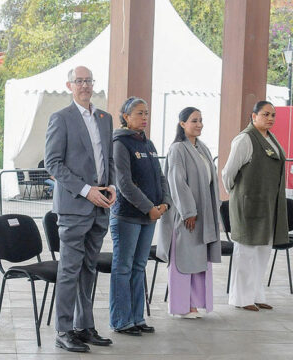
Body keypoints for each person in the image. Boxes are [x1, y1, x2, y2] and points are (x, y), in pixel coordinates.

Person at [45, 66, 116, 352]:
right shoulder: (61, 119)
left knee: (89, 268)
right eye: (79, 81)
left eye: (89, 80)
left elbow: (107, 158)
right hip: (75, 207)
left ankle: (84, 326)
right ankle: (64, 330)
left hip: (101, 207)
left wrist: (110, 187)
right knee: (70, 270)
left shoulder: (105, 118)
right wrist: (87, 191)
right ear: (70, 85)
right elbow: (53, 164)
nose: (85, 85)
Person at [109, 97, 172, 335]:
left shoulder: (148, 143)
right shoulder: (120, 143)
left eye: (146, 113)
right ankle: (120, 320)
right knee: (123, 268)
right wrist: (149, 207)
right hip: (128, 216)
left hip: (150, 215)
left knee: (138, 267)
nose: (144, 118)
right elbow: (124, 183)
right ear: (125, 116)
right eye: (138, 113)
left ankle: (137, 318)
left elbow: (160, 176)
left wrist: (165, 201)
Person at [222, 100, 288, 311]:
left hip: (268, 206)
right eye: (266, 114)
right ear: (254, 116)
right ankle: (241, 299)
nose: (270, 118)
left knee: (262, 251)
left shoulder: (271, 138)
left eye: (273, 115)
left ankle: (256, 295)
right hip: (249, 205)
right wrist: (237, 193)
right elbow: (228, 172)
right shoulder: (245, 139)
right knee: (246, 252)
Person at [156, 107, 221, 318]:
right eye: (194, 120)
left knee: (199, 260)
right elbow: (177, 183)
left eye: (201, 120)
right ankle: (181, 306)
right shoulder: (177, 149)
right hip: (187, 216)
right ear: (182, 123)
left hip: (203, 214)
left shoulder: (203, 148)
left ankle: (195, 303)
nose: (199, 124)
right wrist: (188, 212)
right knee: (182, 259)